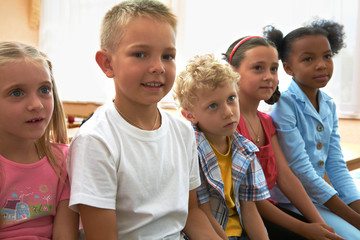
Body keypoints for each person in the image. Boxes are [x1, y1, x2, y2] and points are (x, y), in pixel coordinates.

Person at [67, 1, 220, 239]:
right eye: (140, 54)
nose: (158, 67)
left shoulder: (183, 132)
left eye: (168, 56)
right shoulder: (96, 141)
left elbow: (190, 212)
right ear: (107, 64)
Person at [223, 35, 344, 240]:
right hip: (242, 219)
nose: (269, 76)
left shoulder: (266, 122)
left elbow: (287, 178)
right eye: (258, 68)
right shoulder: (229, 125)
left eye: (273, 68)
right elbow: (252, 201)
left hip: (269, 211)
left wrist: (321, 225)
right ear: (232, 72)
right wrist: (305, 229)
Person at [265, 19, 360, 239]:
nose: (321, 65)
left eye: (327, 56)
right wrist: (353, 218)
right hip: (293, 201)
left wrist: (356, 209)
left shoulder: (328, 104)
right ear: (288, 67)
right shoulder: (284, 106)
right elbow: (302, 172)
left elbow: (336, 166)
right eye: (308, 58)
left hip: (321, 197)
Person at [174, 53, 271, 240]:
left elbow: (250, 210)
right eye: (213, 106)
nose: (228, 112)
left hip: (240, 233)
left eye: (231, 99)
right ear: (189, 115)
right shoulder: (191, 151)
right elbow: (203, 213)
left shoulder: (245, 150)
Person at [0, 41, 79, 239]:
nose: (36, 105)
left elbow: (65, 235)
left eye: (44, 90)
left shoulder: (63, 161)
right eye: (17, 93)